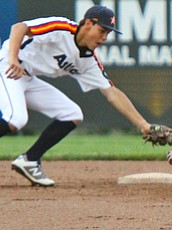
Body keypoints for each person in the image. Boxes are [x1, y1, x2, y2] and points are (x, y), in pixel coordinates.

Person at [0, 5, 160, 187]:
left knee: (72, 114)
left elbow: (112, 93)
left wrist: (143, 124)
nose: (104, 38)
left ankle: (30, 160)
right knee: (16, 118)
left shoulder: (88, 60)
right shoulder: (62, 28)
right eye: (102, 30)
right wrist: (12, 58)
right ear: (88, 24)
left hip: (27, 78)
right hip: (6, 65)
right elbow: (19, 27)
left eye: (108, 33)